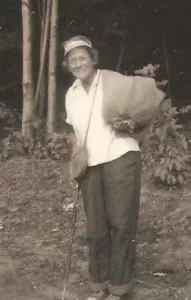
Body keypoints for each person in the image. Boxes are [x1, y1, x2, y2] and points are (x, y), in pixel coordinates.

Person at [63, 35, 142, 300]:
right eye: (72, 60)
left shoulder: (112, 80)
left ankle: (119, 289)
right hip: (91, 163)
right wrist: (76, 161)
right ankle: (99, 286)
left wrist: (129, 123)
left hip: (121, 155)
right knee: (96, 227)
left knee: (121, 222)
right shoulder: (71, 95)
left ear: (92, 58)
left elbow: (139, 112)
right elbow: (78, 133)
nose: (78, 63)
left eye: (82, 57)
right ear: (68, 65)